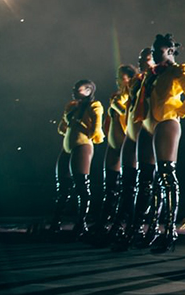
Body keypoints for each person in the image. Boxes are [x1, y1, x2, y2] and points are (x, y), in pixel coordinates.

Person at [132, 33, 185, 253]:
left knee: (166, 176)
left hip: (166, 122)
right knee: (147, 179)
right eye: (152, 51)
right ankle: (149, 229)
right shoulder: (151, 74)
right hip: (148, 124)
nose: (153, 54)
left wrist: (177, 113)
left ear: (170, 51)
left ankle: (169, 230)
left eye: (158, 50)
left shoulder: (180, 70)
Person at [108, 49, 154, 250]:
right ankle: (119, 226)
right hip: (132, 130)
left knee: (148, 181)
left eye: (147, 58)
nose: (142, 62)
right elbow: (126, 103)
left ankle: (141, 228)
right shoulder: (137, 81)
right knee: (127, 181)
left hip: (149, 129)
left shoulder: (161, 76)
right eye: (140, 59)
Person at [51, 80, 104, 238]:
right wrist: (70, 117)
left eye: (78, 89)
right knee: (63, 186)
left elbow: (97, 130)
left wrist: (83, 126)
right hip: (68, 145)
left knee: (81, 185)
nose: (74, 91)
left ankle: (81, 223)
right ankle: (56, 222)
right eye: (74, 88)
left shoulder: (94, 106)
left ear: (88, 91)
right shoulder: (72, 106)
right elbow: (62, 128)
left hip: (82, 145)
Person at [90, 64, 137, 243]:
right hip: (113, 139)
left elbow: (128, 113)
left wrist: (117, 105)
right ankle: (105, 220)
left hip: (126, 137)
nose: (119, 80)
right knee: (110, 184)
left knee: (127, 184)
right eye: (118, 77)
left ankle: (124, 222)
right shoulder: (116, 96)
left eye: (123, 77)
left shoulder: (133, 94)